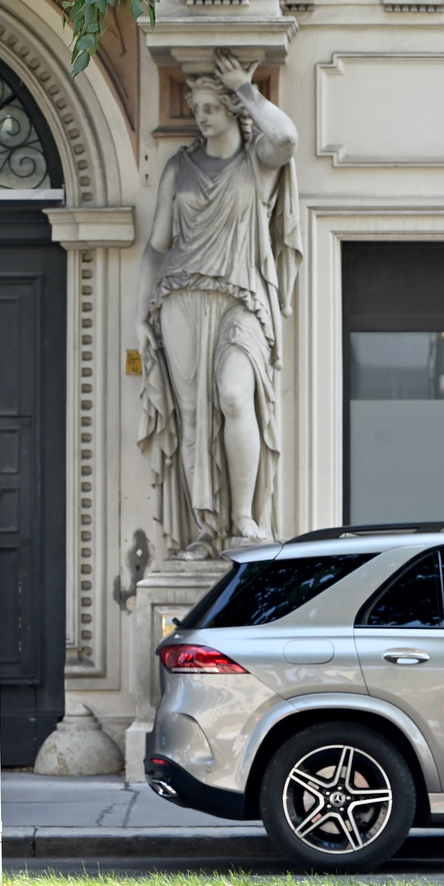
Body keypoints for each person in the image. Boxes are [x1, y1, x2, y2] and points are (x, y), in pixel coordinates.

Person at [137, 51, 302, 559]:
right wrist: (138, 318)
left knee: (234, 397)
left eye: (209, 107)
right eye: (196, 107)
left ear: (233, 112)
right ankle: (205, 531)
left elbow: (287, 140)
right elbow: (157, 247)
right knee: (192, 417)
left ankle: (244, 520)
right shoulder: (178, 168)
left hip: (241, 297)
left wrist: (247, 89)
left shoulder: (257, 164)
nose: (199, 116)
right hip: (180, 296)